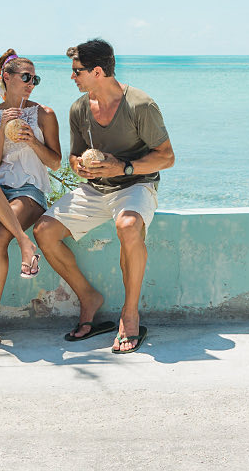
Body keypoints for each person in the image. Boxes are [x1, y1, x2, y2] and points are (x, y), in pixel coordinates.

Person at [33, 38, 175, 353]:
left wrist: (123, 168)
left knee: (126, 226)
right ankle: (88, 298)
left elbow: (166, 157)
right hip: (96, 188)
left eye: (77, 71)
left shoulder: (141, 105)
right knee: (44, 231)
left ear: (98, 71)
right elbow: (74, 156)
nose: (72, 77)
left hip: (137, 185)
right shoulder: (80, 108)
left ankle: (130, 314)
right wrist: (80, 168)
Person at [0, 49, 61, 354]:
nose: (31, 83)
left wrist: (31, 140)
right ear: (6, 78)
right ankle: (25, 242)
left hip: (28, 193)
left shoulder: (43, 114)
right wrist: (2, 134)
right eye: (25, 77)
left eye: (35, 78)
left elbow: (56, 164)